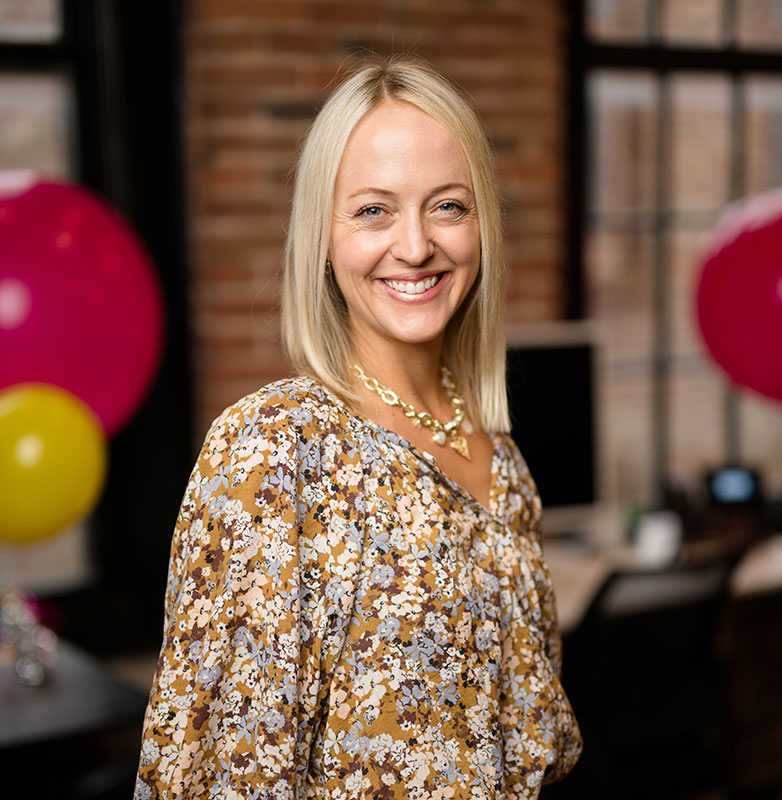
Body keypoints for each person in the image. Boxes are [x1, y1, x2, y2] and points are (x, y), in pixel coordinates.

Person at [135, 56, 581, 800]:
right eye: (374, 210)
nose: (414, 246)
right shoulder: (275, 447)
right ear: (324, 235)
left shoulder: (499, 455)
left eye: (447, 206)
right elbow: (219, 775)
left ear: (482, 227)